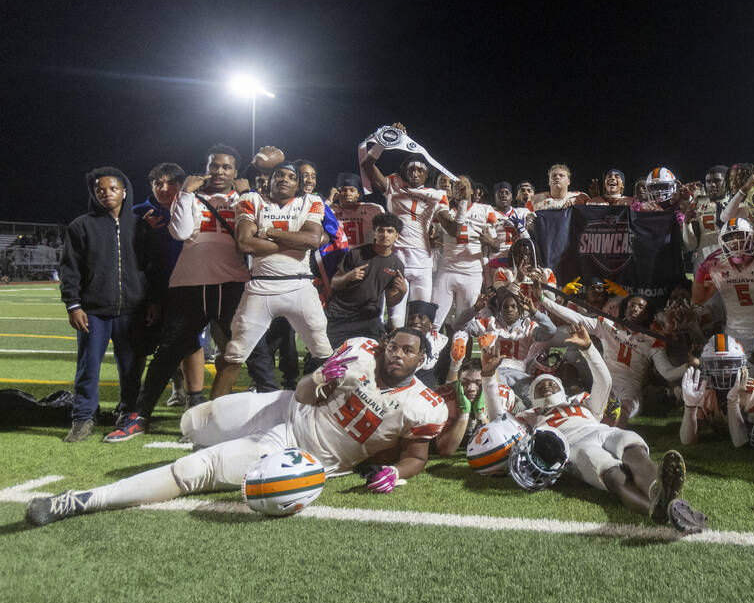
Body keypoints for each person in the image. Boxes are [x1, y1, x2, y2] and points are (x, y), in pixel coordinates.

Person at [25, 328, 448, 527]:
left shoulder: (423, 405)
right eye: (392, 344)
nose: (395, 353)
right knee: (194, 423)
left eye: (407, 350)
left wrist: (396, 472)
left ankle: (80, 501)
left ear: (420, 361)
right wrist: (319, 378)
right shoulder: (359, 350)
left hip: (299, 452)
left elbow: (417, 456)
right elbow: (302, 394)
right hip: (282, 406)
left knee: (195, 470)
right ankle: (206, 438)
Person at [480, 323, 706, 533]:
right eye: (540, 386)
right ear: (532, 396)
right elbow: (497, 420)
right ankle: (662, 507)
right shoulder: (529, 417)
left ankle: (665, 500)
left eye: (551, 382)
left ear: (560, 388)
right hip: (575, 448)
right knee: (612, 474)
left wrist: (589, 349)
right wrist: (489, 376)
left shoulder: (582, 401)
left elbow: (604, 382)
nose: (547, 384)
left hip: (602, 430)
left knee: (631, 445)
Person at [108, 145, 250, 441]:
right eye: (214, 166)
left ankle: (219, 416)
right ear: (206, 167)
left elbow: (255, 234)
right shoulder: (188, 197)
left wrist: (248, 195)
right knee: (169, 351)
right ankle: (141, 413)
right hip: (190, 284)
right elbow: (181, 232)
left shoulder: (246, 200)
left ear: (235, 172)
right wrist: (185, 192)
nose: (219, 172)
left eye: (226, 167)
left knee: (240, 352)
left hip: (232, 283)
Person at [211, 162, 333, 396]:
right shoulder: (251, 200)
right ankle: (204, 423)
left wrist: (269, 233)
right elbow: (245, 243)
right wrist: (291, 242)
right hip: (260, 286)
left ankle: (329, 415)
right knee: (234, 355)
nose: (284, 179)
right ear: (270, 179)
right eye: (279, 175)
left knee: (324, 353)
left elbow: (312, 240)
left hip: (300, 285)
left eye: (290, 176)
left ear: (298, 184)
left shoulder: (311, 201)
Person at [58, 167, 152, 442]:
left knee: (132, 368)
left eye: (113, 188)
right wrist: (73, 305)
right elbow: (70, 268)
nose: (107, 193)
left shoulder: (140, 224)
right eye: (101, 189)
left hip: (132, 310)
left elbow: (152, 267)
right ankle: (83, 418)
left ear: (124, 191)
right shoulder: (81, 226)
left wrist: (153, 301)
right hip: (93, 311)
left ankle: (128, 412)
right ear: (94, 194)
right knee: (88, 367)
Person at [543, 293, 687, 428]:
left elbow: (667, 373)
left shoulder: (653, 340)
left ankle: (611, 437)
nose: (635, 309)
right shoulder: (607, 325)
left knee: (622, 409)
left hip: (630, 390)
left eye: (640, 306)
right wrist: (544, 300)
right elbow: (577, 318)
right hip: (604, 382)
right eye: (631, 305)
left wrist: (690, 365)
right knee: (594, 408)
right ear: (624, 308)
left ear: (647, 314)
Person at [359, 125, 453, 324]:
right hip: (396, 259)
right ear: (405, 171)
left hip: (423, 263)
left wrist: (458, 208)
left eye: (420, 170)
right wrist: (384, 142)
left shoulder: (436, 195)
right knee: (395, 319)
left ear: (427, 175)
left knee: (420, 319)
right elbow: (367, 165)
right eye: (411, 169)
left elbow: (450, 226)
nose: (415, 173)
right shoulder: (393, 184)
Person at [133, 162, 206, 408]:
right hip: (148, 291)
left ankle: (194, 398)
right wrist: (142, 228)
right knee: (147, 344)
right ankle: (141, 397)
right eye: (157, 183)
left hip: (187, 288)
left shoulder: (194, 206)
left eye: (171, 183)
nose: (163, 188)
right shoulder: (138, 212)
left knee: (189, 342)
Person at [692, 218, 754, 363]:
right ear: (723, 241)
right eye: (730, 237)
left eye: (740, 235)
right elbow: (697, 301)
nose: (735, 241)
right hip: (733, 333)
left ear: (752, 237)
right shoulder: (717, 267)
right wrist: (701, 272)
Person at [325, 212, 407, 349]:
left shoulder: (396, 265)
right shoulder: (356, 254)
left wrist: (402, 292)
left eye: (390, 231)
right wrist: (348, 277)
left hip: (368, 317)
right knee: (328, 356)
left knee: (376, 356)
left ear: (396, 236)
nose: (385, 234)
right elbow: (334, 283)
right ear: (375, 233)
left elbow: (391, 301)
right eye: (380, 230)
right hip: (341, 314)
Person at [431, 175, 501, 330]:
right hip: (447, 269)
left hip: (472, 273)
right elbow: (439, 236)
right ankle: (434, 353)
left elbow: (496, 246)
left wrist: (488, 241)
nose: (460, 188)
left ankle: (464, 355)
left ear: (473, 191)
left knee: (465, 324)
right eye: (456, 186)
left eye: (464, 186)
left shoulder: (485, 210)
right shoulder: (444, 209)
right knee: (434, 321)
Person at [329, 173, 384, 249]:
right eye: (344, 190)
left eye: (352, 190)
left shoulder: (372, 209)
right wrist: (330, 199)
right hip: (339, 254)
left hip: (365, 254)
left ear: (358, 194)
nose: (348, 193)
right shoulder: (330, 210)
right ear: (338, 193)